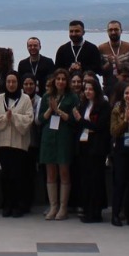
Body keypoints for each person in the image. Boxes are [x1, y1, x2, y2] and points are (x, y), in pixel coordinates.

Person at [0, 72, 35, 218]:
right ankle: (7, 204)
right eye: (8, 81)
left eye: (14, 82)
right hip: (2, 143)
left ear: (18, 83)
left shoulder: (26, 98)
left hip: (19, 144)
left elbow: (29, 119)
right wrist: (5, 117)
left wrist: (13, 116)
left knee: (19, 176)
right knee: (5, 176)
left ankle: (18, 205)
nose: (11, 84)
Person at [38, 68, 79, 221]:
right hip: (48, 137)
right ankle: (53, 205)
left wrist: (59, 111)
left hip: (64, 137)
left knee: (64, 172)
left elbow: (75, 120)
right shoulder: (46, 96)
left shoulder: (72, 97)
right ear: (54, 81)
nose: (60, 81)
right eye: (58, 79)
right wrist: (51, 108)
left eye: (63, 79)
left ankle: (63, 207)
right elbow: (41, 119)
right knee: (50, 173)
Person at [75, 76, 110, 223]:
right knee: (86, 179)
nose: (88, 92)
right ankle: (87, 208)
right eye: (86, 89)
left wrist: (82, 121)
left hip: (97, 147)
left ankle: (96, 212)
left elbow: (100, 126)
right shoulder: (83, 105)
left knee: (96, 179)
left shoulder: (103, 105)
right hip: (84, 145)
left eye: (91, 89)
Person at [109, 83, 129, 227]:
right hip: (121, 147)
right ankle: (115, 214)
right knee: (120, 181)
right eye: (127, 93)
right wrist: (125, 120)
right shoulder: (117, 108)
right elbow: (114, 131)